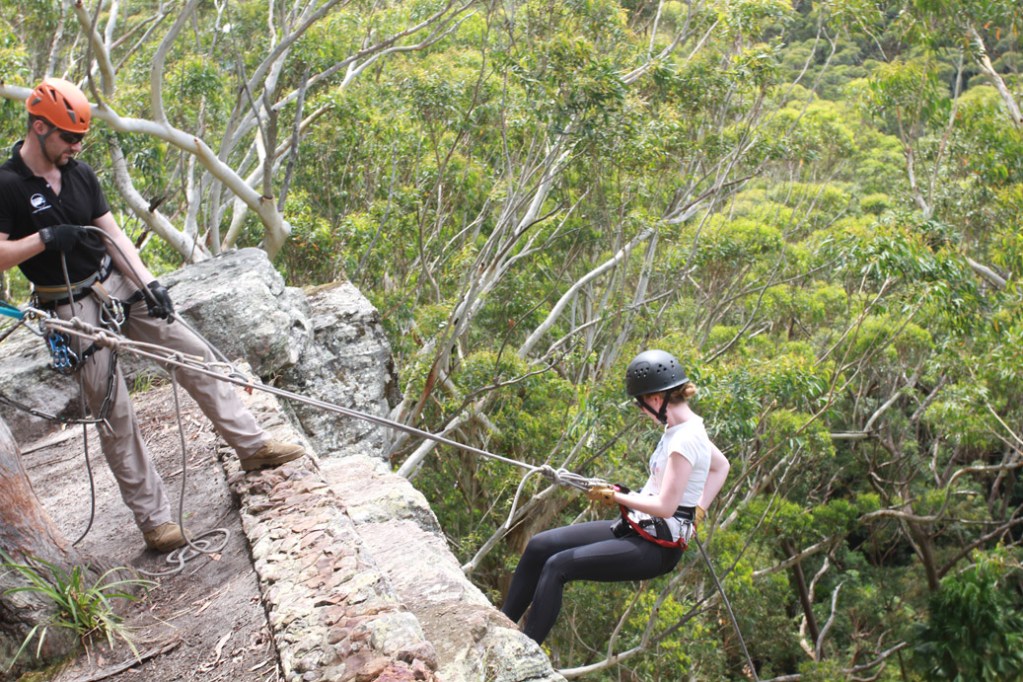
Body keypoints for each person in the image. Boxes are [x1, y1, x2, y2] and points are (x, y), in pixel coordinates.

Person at [0, 78, 306, 552]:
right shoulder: (7, 186)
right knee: (113, 410)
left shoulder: (80, 174)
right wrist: (43, 239)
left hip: (115, 282)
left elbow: (113, 236)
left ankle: (252, 447)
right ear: (39, 127)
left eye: (81, 138)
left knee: (193, 353)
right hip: (68, 305)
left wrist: (149, 284)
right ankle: (156, 521)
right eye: (69, 137)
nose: (76, 147)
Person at [500, 349, 730, 645]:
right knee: (539, 546)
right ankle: (501, 625)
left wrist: (617, 496)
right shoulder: (683, 428)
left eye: (641, 405)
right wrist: (698, 511)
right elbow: (721, 466)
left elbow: (665, 507)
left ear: (655, 399)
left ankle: (523, 652)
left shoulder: (684, 440)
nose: (643, 413)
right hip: (640, 528)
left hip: (655, 549)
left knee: (558, 566)